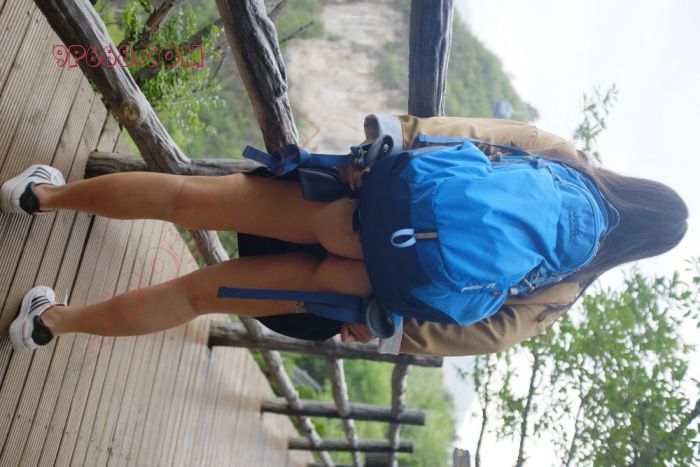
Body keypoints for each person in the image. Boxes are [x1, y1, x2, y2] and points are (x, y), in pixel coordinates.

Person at [1, 115, 688, 356]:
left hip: (352, 208)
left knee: (188, 200)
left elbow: (452, 137)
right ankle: (49, 325)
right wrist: (383, 328)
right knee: (196, 295)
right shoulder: (563, 289)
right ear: (636, 250)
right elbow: (478, 335)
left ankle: (40, 196)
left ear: (633, 184)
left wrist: (380, 150)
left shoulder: (560, 159)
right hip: (353, 286)